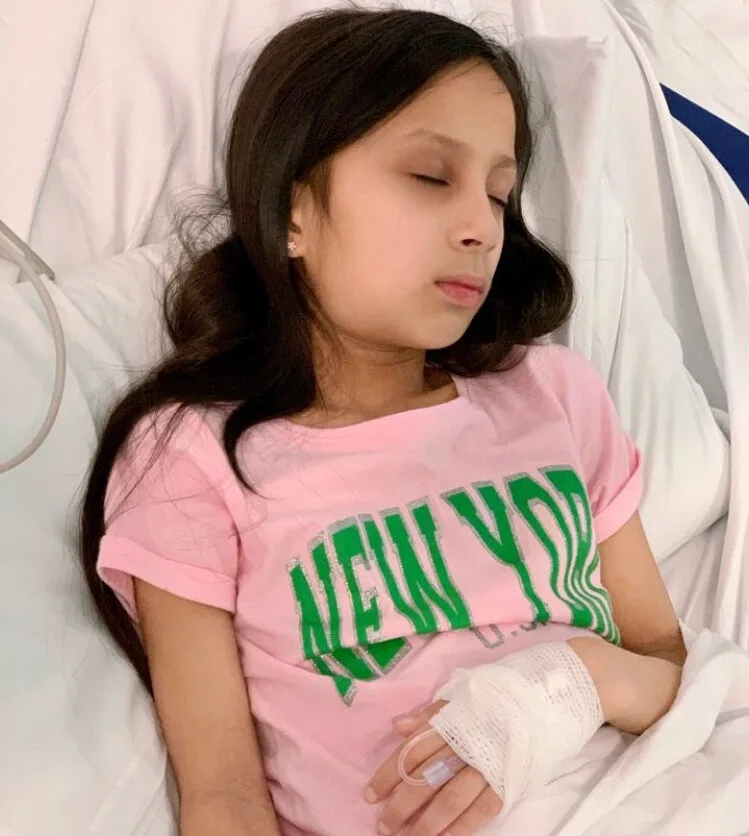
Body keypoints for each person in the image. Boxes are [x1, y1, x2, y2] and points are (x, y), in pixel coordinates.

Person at [78, 8, 687, 836]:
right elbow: (223, 793)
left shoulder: (555, 395)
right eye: (430, 177)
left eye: (499, 194)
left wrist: (571, 681)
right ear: (292, 211)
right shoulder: (193, 456)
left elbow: (663, 664)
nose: (481, 228)